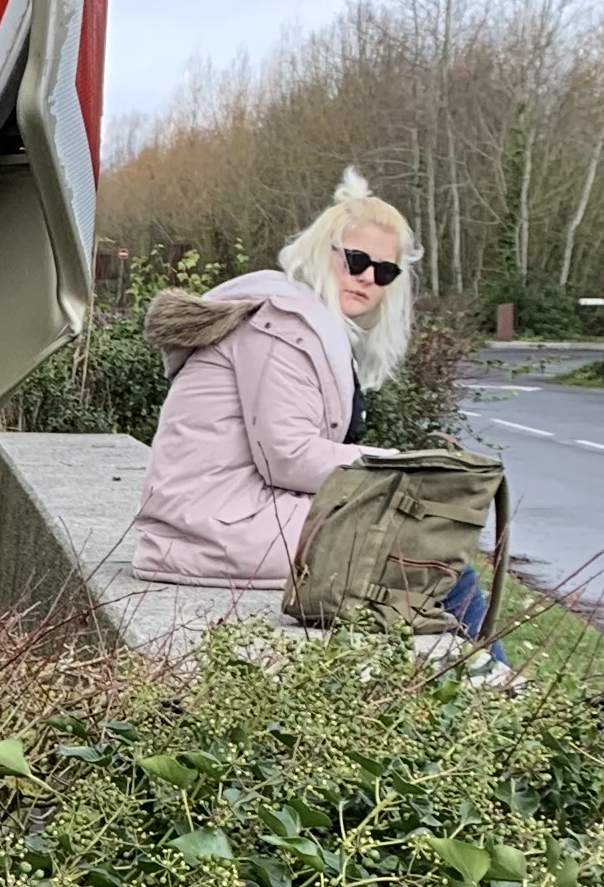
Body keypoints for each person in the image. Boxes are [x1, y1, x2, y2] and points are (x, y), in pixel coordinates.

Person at [127, 169, 499, 662]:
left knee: (433, 562)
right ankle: (488, 700)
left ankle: (478, 686)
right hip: (220, 524)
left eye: (384, 271)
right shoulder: (284, 326)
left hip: (221, 514)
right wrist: (401, 467)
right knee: (428, 561)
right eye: (357, 260)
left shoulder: (293, 319)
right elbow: (289, 456)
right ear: (320, 253)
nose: (368, 277)